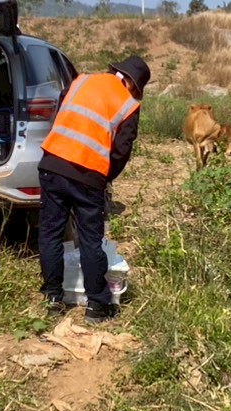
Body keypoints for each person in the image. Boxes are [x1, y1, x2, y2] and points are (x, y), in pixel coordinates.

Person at [38, 55, 149, 321]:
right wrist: (104, 178)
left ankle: (53, 298)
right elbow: (121, 151)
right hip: (88, 176)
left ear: (115, 70)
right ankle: (96, 306)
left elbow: (61, 117)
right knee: (90, 240)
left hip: (52, 164)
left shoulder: (80, 81)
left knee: (51, 233)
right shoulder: (129, 105)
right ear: (133, 85)